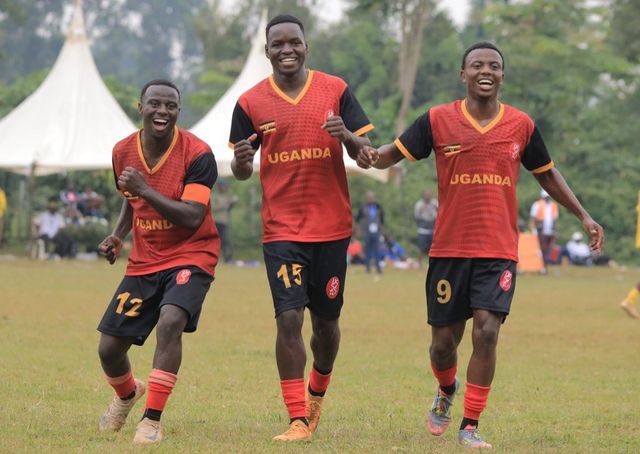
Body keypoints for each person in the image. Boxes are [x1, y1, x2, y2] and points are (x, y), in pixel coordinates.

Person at [355, 42, 604, 449]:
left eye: (494, 66)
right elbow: (388, 155)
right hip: (449, 251)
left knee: (487, 333)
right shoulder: (436, 120)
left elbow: (547, 174)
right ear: (463, 74)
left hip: (497, 251)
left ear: (502, 75)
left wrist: (584, 215)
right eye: (477, 65)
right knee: (442, 346)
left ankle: (470, 425)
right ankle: (446, 388)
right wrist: (364, 152)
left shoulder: (521, 125)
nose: (486, 71)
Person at [229, 14, 373, 442]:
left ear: (306, 46)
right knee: (288, 318)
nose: (287, 50)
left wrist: (346, 135)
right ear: (267, 51)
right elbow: (241, 170)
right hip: (282, 231)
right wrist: (240, 161)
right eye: (278, 44)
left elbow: (366, 153)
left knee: (325, 327)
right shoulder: (250, 102)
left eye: (294, 42)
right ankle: (296, 419)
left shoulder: (335, 90)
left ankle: (317, 394)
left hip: (331, 229)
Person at [96, 79, 220, 445]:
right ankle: (126, 394)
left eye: (170, 106)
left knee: (170, 322)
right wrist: (118, 235)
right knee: (109, 349)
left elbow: (192, 216)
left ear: (178, 111)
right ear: (141, 108)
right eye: (155, 104)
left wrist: (146, 189)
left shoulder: (198, 154)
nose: (162, 111)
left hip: (192, 254)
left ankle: (151, 420)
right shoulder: (122, 151)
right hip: (145, 260)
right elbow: (130, 198)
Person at [356, 190, 385, 274]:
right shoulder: (363, 207)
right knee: (367, 250)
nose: (371, 199)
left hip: (376, 232)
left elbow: (382, 220)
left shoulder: (379, 207)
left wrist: (381, 230)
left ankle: (378, 268)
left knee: (377, 250)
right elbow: (358, 219)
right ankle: (368, 268)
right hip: (367, 231)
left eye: (372, 197)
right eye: (369, 197)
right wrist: (359, 229)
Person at [211, 179, 238, 263]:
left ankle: (228, 259)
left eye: (226, 186)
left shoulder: (227, 196)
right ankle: (212, 258)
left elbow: (228, 209)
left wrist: (232, 203)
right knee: (213, 241)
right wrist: (226, 204)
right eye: (223, 186)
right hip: (215, 222)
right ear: (219, 186)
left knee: (226, 241)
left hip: (224, 222)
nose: (225, 188)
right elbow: (213, 208)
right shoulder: (214, 196)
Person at [529, 189, 559, 264]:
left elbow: (555, 220)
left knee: (550, 248)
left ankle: (546, 263)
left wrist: (555, 231)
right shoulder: (537, 204)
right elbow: (532, 219)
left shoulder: (553, 205)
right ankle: (541, 264)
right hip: (541, 230)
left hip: (551, 230)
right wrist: (533, 229)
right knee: (542, 248)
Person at [414, 189, 438, 267]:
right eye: (426, 195)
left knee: (432, 248)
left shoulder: (434, 203)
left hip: (433, 230)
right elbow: (417, 217)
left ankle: (431, 264)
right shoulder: (419, 205)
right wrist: (425, 221)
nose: (428, 196)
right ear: (423, 195)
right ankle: (419, 263)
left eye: (429, 195)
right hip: (423, 230)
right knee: (421, 248)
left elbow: (440, 212)